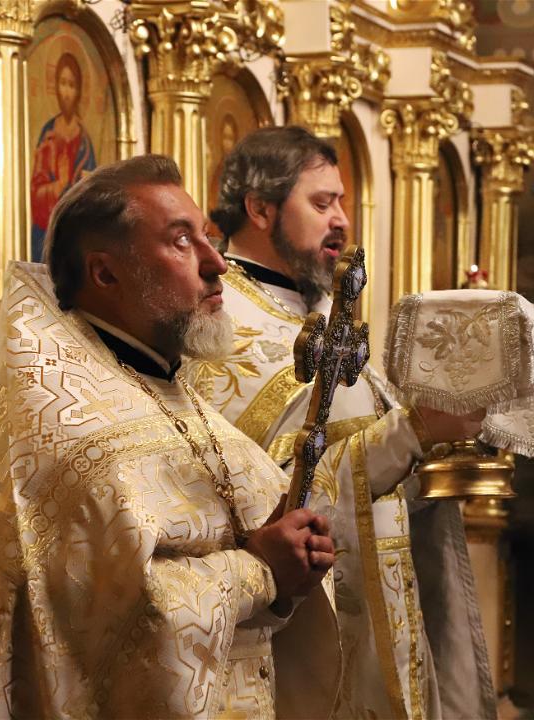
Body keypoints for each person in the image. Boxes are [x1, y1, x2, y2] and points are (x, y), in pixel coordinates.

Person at [0, 155, 340, 719]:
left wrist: (288, 570)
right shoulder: (69, 427)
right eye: (181, 241)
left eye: (207, 237)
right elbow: (115, 632)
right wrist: (260, 571)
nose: (218, 264)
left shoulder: (173, 393)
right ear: (105, 274)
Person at [189, 126, 496, 719]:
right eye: (322, 202)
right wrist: (412, 432)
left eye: (343, 202)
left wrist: (444, 439)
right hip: (301, 635)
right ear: (260, 209)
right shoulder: (224, 324)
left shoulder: (326, 311)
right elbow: (269, 494)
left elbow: (377, 456)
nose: (342, 220)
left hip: (385, 598)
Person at [30, 51, 98, 262]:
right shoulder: (48, 135)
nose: (67, 92)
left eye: (72, 85)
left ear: (78, 91)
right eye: (63, 84)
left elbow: (98, 193)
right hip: (46, 235)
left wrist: (88, 185)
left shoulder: (85, 141)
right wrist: (58, 185)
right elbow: (35, 192)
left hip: (77, 238)